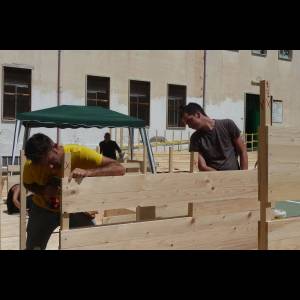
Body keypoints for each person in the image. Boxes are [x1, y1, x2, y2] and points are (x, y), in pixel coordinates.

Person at [23, 133, 125, 250]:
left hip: (74, 208)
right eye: (43, 165)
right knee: (33, 247)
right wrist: (43, 190)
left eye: (51, 161)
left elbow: (119, 168)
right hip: (42, 208)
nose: (49, 168)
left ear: (56, 147)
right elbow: (27, 184)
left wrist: (89, 173)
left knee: (92, 242)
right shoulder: (31, 164)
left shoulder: (79, 153)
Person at [181, 102, 248, 171]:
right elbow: (202, 166)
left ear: (198, 115)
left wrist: (243, 174)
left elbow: (242, 150)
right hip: (213, 179)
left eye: (189, 120)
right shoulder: (195, 139)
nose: (189, 126)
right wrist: (220, 178)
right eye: (186, 123)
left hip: (236, 178)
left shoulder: (227, 125)